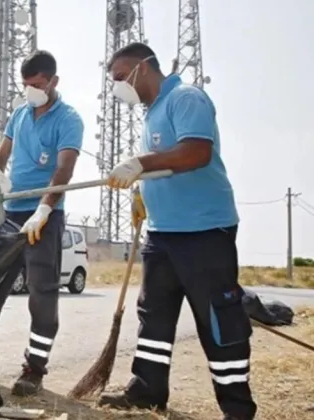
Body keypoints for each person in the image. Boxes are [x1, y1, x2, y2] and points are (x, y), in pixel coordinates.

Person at [99, 42, 256, 420]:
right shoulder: (152, 114)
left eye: (121, 77)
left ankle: (237, 409)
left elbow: (195, 153)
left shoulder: (186, 99)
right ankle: (147, 390)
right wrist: (142, 192)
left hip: (203, 231)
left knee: (218, 320)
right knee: (153, 315)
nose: (118, 87)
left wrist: (140, 163)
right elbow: (159, 167)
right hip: (162, 232)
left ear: (143, 68)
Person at [0, 50, 83, 396]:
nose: (31, 91)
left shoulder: (68, 119)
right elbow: (1, 157)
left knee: (42, 293)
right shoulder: (19, 114)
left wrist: (44, 209)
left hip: (44, 215)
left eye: (38, 85)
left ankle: (35, 367)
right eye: (26, 85)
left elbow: (63, 170)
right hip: (11, 211)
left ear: (53, 82)